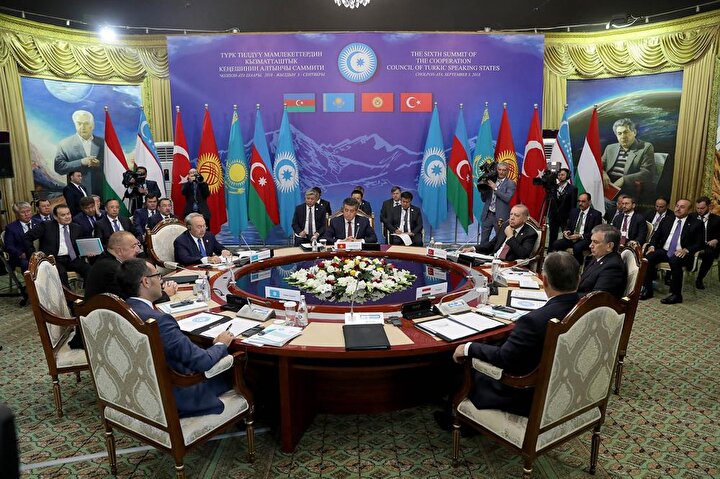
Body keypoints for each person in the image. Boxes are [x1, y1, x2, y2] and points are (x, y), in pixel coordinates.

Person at [446, 252, 580, 417]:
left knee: (456, 368)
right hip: (566, 387)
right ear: (578, 279)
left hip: (524, 395)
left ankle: (453, 419)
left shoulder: (533, 321)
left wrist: (468, 348)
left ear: (544, 281)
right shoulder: (589, 310)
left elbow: (504, 358)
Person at [118, 259, 234, 418]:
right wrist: (221, 344)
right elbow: (202, 362)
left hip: (136, 394)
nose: (161, 281)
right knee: (244, 367)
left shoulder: (120, 312)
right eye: (158, 276)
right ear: (146, 282)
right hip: (178, 397)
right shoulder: (159, 321)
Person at [640, 199, 704, 304]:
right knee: (648, 258)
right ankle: (647, 289)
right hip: (665, 251)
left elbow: (699, 243)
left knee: (675, 260)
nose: (678, 209)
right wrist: (652, 246)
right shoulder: (667, 219)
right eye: (677, 206)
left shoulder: (696, 223)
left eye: (682, 207)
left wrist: (687, 250)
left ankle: (676, 295)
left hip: (682, 253)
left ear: (689, 210)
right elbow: (656, 235)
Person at [84, 231, 177, 300]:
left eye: (138, 245)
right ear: (120, 251)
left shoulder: (109, 259)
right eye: (133, 246)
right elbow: (134, 300)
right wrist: (165, 294)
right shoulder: (113, 269)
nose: (138, 250)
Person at [24, 204, 91, 286]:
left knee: (89, 269)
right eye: (63, 215)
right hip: (53, 259)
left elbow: (80, 244)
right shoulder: (46, 226)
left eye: (68, 214)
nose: (67, 217)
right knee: (61, 274)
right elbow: (26, 237)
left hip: (72, 258)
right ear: (55, 217)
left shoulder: (76, 228)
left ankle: (89, 293)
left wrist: (86, 252)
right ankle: (67, 294)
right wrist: (33, 254)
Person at [602, 118, 655, 202]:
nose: (623, 136)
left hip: (628, 190)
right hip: (607, 187)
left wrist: (624, 179)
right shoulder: (610, 148)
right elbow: (599, 164)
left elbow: (647, 172)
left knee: (604, 203)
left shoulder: (646, 147)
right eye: (619, 133)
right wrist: (603, 173)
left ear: (634, 132)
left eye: (626, 132)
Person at [54, 110, 104, 195]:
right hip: (76, 194)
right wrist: (81, 162)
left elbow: (111, 165)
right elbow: (59, 167)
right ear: (75, 125)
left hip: (100, 192)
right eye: (79, 123)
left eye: (86, 123)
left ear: (92, 125)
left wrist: (99, 164)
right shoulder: (65, 144)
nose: (82, 127)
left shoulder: (103, 143)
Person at [464, 204, 537, 261]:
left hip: (508, 265)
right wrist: (473, 248)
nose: (512, 218)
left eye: (516, 215)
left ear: (525, 219)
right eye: (511, 214)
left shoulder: (530, 233)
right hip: (493, 260)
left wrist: (510, 237)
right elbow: (493, 243)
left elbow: (523, 254)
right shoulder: (506, 225)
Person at [549, 193, 603, 265]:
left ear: (589, 202)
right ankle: (560, 264)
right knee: (556, 244)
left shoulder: (596, 214)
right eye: (579, 201)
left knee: (577, 247)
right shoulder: (574, 211)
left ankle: (577, 266)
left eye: (583, 201)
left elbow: (596, 233)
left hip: (585, 239)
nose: (580, 203)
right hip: (572, 238)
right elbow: (568, 226)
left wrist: (580, 236)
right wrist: (566, 231)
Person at [577, 224, 627, 299]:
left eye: (595, 242)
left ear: (609, 246)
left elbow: (597, 298)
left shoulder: (613, 267)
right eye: (591, 241)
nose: (590, 246)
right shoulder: (599, 257)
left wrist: (566, 297)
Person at [479, 161, 516, 245]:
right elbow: (484, 200)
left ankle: (496, 253)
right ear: (497, 170)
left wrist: (495, 188)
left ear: (507, 171)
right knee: (483, 241)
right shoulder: (491, 180)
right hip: (488, 215)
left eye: (504, 170)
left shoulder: (510, 183)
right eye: (499, 169)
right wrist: (483, 189)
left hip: (500, 217)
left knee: (500, 240)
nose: (501, 172)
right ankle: (482, 252)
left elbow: (507, 198)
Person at [3, 202, 40, 272]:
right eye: (23, 212)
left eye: (28, 211)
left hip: (40, 253)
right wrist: (20, 254)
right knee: (26, 264)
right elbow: (9, 246)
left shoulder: (40, 223)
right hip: (23, 256)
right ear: (17, 214)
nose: (26, 214)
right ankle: (31, 279)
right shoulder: (11, 228)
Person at [694, 196, 720, 290]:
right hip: (693, 245)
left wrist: (716, 240)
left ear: (709, 206)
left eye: (702, 208)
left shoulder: (717, 219)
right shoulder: (691, 217)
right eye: (697, 208)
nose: (699, 210)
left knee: (709, 254)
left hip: (708, 246)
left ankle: (699, 279)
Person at [546, 168, 577, 243]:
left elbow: (573, 205)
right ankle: (551, 249)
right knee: (552, 236)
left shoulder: (572, 189)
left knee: (566, 237)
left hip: (565, 217)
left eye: (562, 175)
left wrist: (571, 218)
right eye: (559, 175)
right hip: (553, 216)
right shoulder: (554, 187)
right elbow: (549, 201)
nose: (560, 176)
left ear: (567, 176)